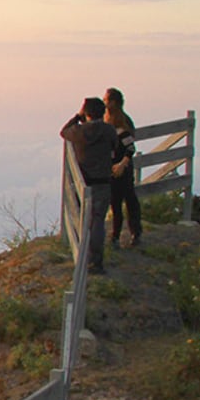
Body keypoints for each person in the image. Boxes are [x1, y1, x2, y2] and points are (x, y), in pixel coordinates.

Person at [60, 97, 116, 274]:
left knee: (83, 219)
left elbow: (63, 132)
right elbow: (115, 145)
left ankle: (82, 257)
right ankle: (96, 262)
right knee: (98, 221)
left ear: (86, 113)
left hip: (83, 182)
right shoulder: (109, 130)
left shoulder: (79, 132)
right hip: (103, 182)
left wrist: (77, 116)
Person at [104, 87, 142, 247]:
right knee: (118, 201)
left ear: (113, 102)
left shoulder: (120, 123)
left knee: (126, 200)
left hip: (121, 167)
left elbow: (130, 147)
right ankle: (119, 235)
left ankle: (130, 233)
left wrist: (121, 164)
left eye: (106, 100)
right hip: (115, 168)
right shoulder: (115, 120)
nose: (104, 102)